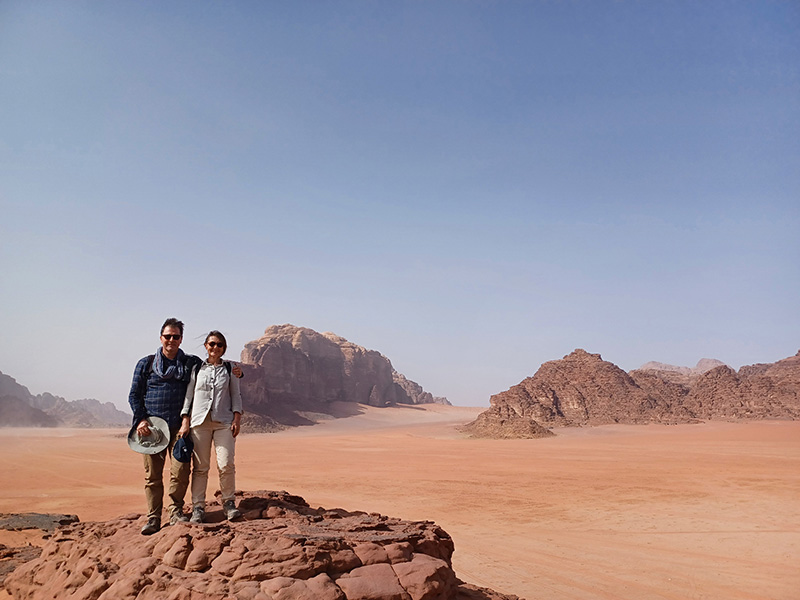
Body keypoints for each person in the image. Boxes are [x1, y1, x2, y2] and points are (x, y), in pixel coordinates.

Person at [128, 318, 241, 535]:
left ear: (181, 339)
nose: (171, 340)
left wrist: (239, 371)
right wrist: (141, 419)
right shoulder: (146, 363)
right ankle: (153, 518)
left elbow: (216, 365)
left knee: (180, 473)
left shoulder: (190, 363)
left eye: (176, 336)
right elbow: (134, 394)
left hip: (180, 429)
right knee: (152, 476)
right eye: (168, 336)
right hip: (152, 428)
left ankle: (176, 512)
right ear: (161, 337)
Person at [179, 330, 243, 523]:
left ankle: (229, 503)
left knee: (226, 464)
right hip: (199, 423)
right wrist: (185, 420)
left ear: (224, 348)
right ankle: (198, 507)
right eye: (212, 344)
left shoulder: (230, 370)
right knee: (200, 467)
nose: (215, 347)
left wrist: (237, 419)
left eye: (219, 345)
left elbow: (236, 395)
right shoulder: (196, 369)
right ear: (206, 346)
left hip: (223, 422)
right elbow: (189, 396)